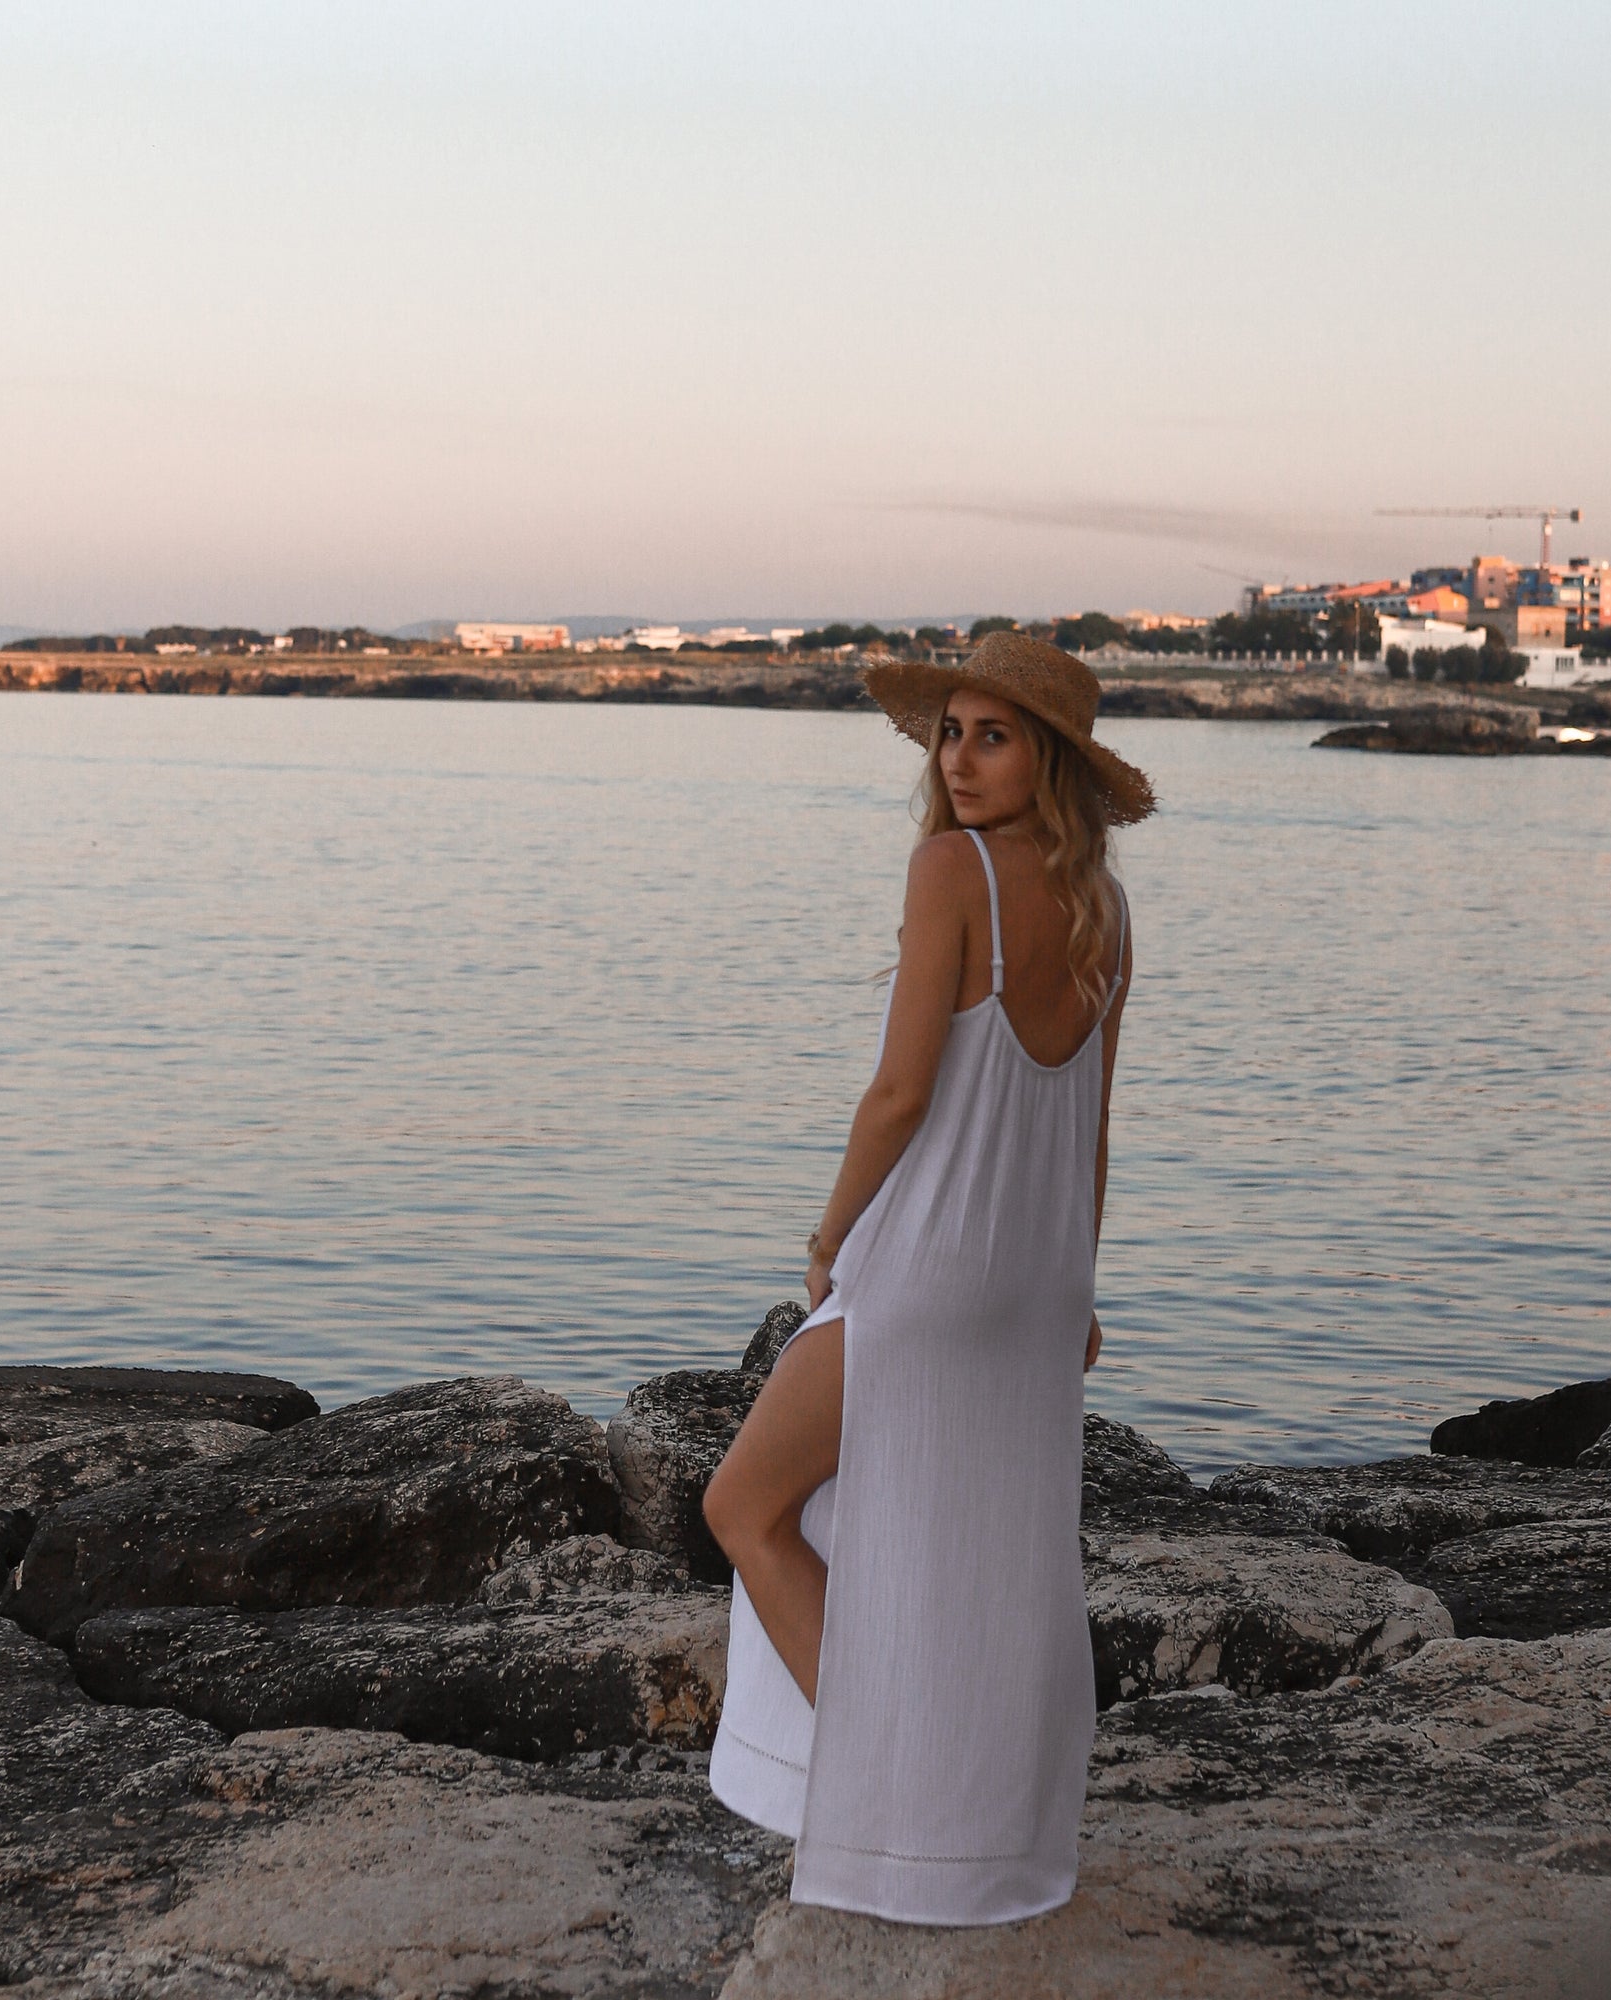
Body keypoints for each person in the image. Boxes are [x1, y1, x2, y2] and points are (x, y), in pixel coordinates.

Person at [702, 628, 1154, 1926]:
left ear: (1047, 758)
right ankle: (955, 1818)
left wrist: (828, 1236)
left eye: (992, 736)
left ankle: (887, 1796)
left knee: (746, 1505)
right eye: (950, 732)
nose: (958, 760)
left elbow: (900, 1093)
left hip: (930, 1271)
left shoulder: (953, 871)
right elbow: (1091, 1128)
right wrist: (1078, 1290)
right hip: (1032, 1286)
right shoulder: (1108, 910)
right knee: (970, 1558)